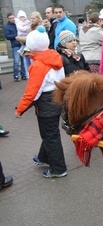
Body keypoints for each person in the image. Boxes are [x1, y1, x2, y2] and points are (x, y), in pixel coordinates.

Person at [14, 26, 67, 178]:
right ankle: (44, 157)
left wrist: (20, 109)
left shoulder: (38, 65)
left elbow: (32, 92)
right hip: (57, 99)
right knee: (50, 133)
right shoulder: (54, 57)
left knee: (50, 136)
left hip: (46, 104)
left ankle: (58, 169)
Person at [4, 12, 27, 82]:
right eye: (10, 18)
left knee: (24, 61)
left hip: (23, 44)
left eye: (13, 18)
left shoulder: (18, 23)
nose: (12, 19)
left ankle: (24, 74)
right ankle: (16, 75)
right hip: (15, 46)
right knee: (16, 62)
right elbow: (7, 36)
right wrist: (16, 35)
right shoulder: (7, 27)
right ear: (8, 19)